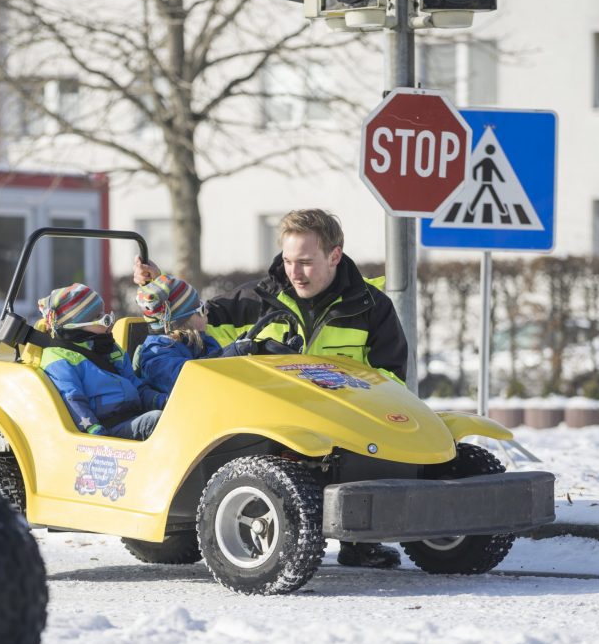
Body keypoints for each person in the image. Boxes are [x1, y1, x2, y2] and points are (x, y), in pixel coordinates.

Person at [134, 208, 408, 568]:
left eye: (306, 262)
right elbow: (196, 321)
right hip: (275, 428)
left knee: (368, 449)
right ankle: (253, 530)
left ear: (334, 256)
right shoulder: (259, 298)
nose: (295, 272)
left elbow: (392, 380)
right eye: (289, 261)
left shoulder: (372, 308)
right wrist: (159, 286)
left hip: (345, 427)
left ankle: (360, 541)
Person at [38, 283, 164, 441]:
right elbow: (73, 400)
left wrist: (163, 401)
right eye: (100, 318)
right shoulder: (59, 359)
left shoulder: (109, 348)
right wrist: (98, 437)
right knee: (156, 422)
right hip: (105, 432)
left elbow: (135, 385)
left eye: (106, 315)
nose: (109, 322)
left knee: (171, 417)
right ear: (76, 325)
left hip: (131, 417)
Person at [133, 274, 223, 403]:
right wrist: (230, 352)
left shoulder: (198, 342)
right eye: (201, 309)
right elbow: (192, 380)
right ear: (183, 322)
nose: (207, 312)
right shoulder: (156, 357)